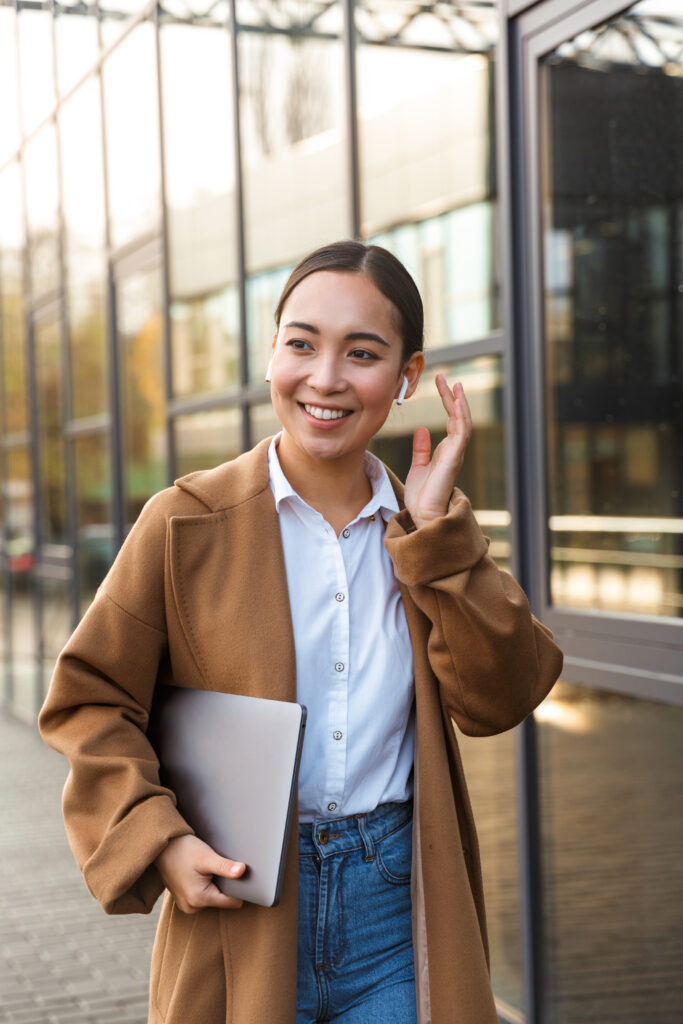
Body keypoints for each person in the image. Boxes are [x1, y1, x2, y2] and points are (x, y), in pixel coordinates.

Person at [39, 240, 563, 1024]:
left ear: (407, 377)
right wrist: (159, 839)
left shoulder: (421, 531)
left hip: (396, 908)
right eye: (301, 343)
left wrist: (437, 538)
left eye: (362, 352)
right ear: (270, 354)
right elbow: (89, 703)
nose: (325, 378)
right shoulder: (184, 523)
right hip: (241, 904)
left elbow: (501, 696)